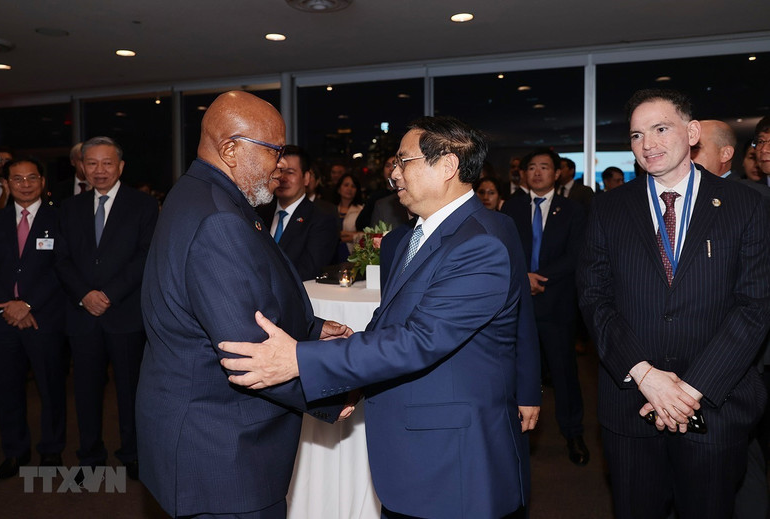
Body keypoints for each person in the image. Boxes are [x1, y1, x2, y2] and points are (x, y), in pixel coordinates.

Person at [220, 116, 542, 519]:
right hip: (411, 444)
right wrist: (349, 373)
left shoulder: (481, 243)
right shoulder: (402, 240)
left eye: (402, 161)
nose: (393, 173)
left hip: (454, 456)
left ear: (446, 166)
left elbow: (419, 340)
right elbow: (390, 324)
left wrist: (298, 359)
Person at [136, 91, 348, 519]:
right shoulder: (218, 218)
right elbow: (248, 353)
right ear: (231, 149)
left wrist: (310, 327)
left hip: (203, 431)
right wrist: (338, 386)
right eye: (274, 151)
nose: (281, 166)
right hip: (221, 454)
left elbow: (248, 297)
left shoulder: (201, 192)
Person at [578, 89, 770, 518]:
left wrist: (688, 391)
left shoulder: (745, 205)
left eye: (660, 129)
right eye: (636, 135)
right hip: (632, 405)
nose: (648, 144)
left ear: (693, 132)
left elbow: (755, 306)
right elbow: (594, 298)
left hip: (715, 404)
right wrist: (647, 376)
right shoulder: (607, 209)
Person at [54, 136, 159, 481]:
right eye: (92, 163)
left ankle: (131, 454)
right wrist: (85, 294)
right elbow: (61, 259)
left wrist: (108, 294)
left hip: (125, 313)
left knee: (130, 391)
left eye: (107, 163)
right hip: (82, 315)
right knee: (85, 391)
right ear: (82, 167)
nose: (100, 170)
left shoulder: (143, 205)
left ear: (121, 166)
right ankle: (90, 455)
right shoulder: (67, 208)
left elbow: (145, 256)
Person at [0, 156, 67, 479]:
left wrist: (27, 304)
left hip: (44, 318)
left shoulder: (60, 219)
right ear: (7, 183)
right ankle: (15, 452)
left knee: (51, 387)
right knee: (6, 389)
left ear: (43, 182)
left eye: (32, 178)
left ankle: (51, 450)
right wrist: (9, 306)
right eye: (17, 179)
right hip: (2, 319)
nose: (26, 184)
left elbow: (61, 267)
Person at [501, 148, 589, 466]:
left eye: (545, 167)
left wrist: (540, 278)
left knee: (564, 372)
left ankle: (573, 432)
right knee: (515, 372)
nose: (538, 173)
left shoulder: (573, 210)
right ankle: (511, 435)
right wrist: (523, 277)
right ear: (524, 174)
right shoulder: (510, 208)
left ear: (558, 174)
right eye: (532, 167)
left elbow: (577, 254)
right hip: (518, 304)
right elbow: (503, 250)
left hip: (557, 303)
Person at [256, 145, 338, 280]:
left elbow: (309, 271)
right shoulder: (260, 213)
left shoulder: (321, 220)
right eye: (279, 170)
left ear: (306, 178)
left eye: (290, 172)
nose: (282, 178)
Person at [334, 172, 364, 262]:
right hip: (332, 253)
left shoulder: (361, 210)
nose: (349, 189)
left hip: (352, 253)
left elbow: (367, 235)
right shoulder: (331, 209)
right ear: (339, 189)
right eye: (346, 185)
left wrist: (351, 236)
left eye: (353, 186)